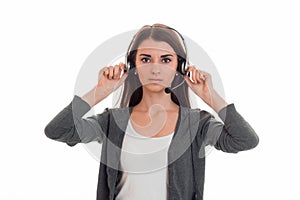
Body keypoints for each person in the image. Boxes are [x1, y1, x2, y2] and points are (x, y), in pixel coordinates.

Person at [44, 24, 259, 200]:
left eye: (166, 60)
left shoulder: (197, 124)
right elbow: (57, 130)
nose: (155, 69)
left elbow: (245, 140)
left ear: (179, 68)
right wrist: (98, 92)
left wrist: (212, 97)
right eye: (145, 59)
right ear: (133, 66)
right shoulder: (111, 122)